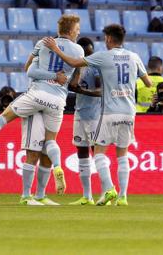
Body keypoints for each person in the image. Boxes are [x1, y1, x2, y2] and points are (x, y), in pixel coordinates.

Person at [0, 15, 85, 198]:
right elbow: (74, 79)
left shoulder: (43, 43)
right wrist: (59, 77)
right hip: (58, 101)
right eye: (78, 29)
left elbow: (28, 69)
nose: (78, 32)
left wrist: (47, 70)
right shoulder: (79, 50)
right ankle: (58, 167)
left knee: (3, 118)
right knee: (51, 141)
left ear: (59, 29)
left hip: (37, 94)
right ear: (72, 30)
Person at [44, 24, 153, 206]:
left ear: (109, 39)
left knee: (99, 153)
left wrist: (55, 48)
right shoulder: (134, 57)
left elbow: (73, 63)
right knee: (122, 155)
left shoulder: (103, 57)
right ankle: (123, 197)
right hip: (129, 113)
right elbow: (148, 83)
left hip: (109, 112)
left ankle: (109, 188)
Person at [67, 37, 101, 205]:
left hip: (95, 116)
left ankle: (107, 192)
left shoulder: (97, 68)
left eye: (89, 52)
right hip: (80, 114)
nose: (88, 56)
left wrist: (81, 90)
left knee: (98, 154)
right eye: (85, 53)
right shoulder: (78, 67)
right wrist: (78, 70)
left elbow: (101, 91)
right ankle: (87, 196)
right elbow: (72, 86)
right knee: (82, 154)